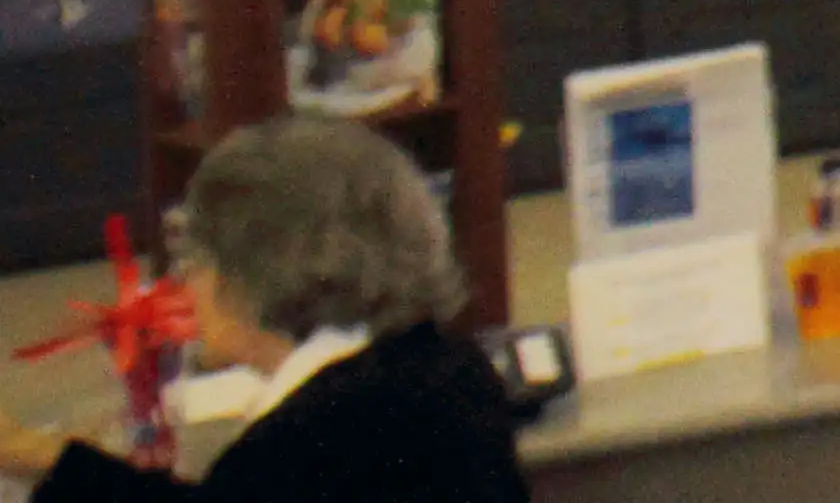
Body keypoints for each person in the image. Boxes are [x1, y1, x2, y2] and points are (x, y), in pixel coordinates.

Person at [0, 114, 520, 499]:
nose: (186, 283)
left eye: (197, 258)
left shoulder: (301, 443)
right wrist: (33, 451)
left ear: (257, 270)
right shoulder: (451, 371)